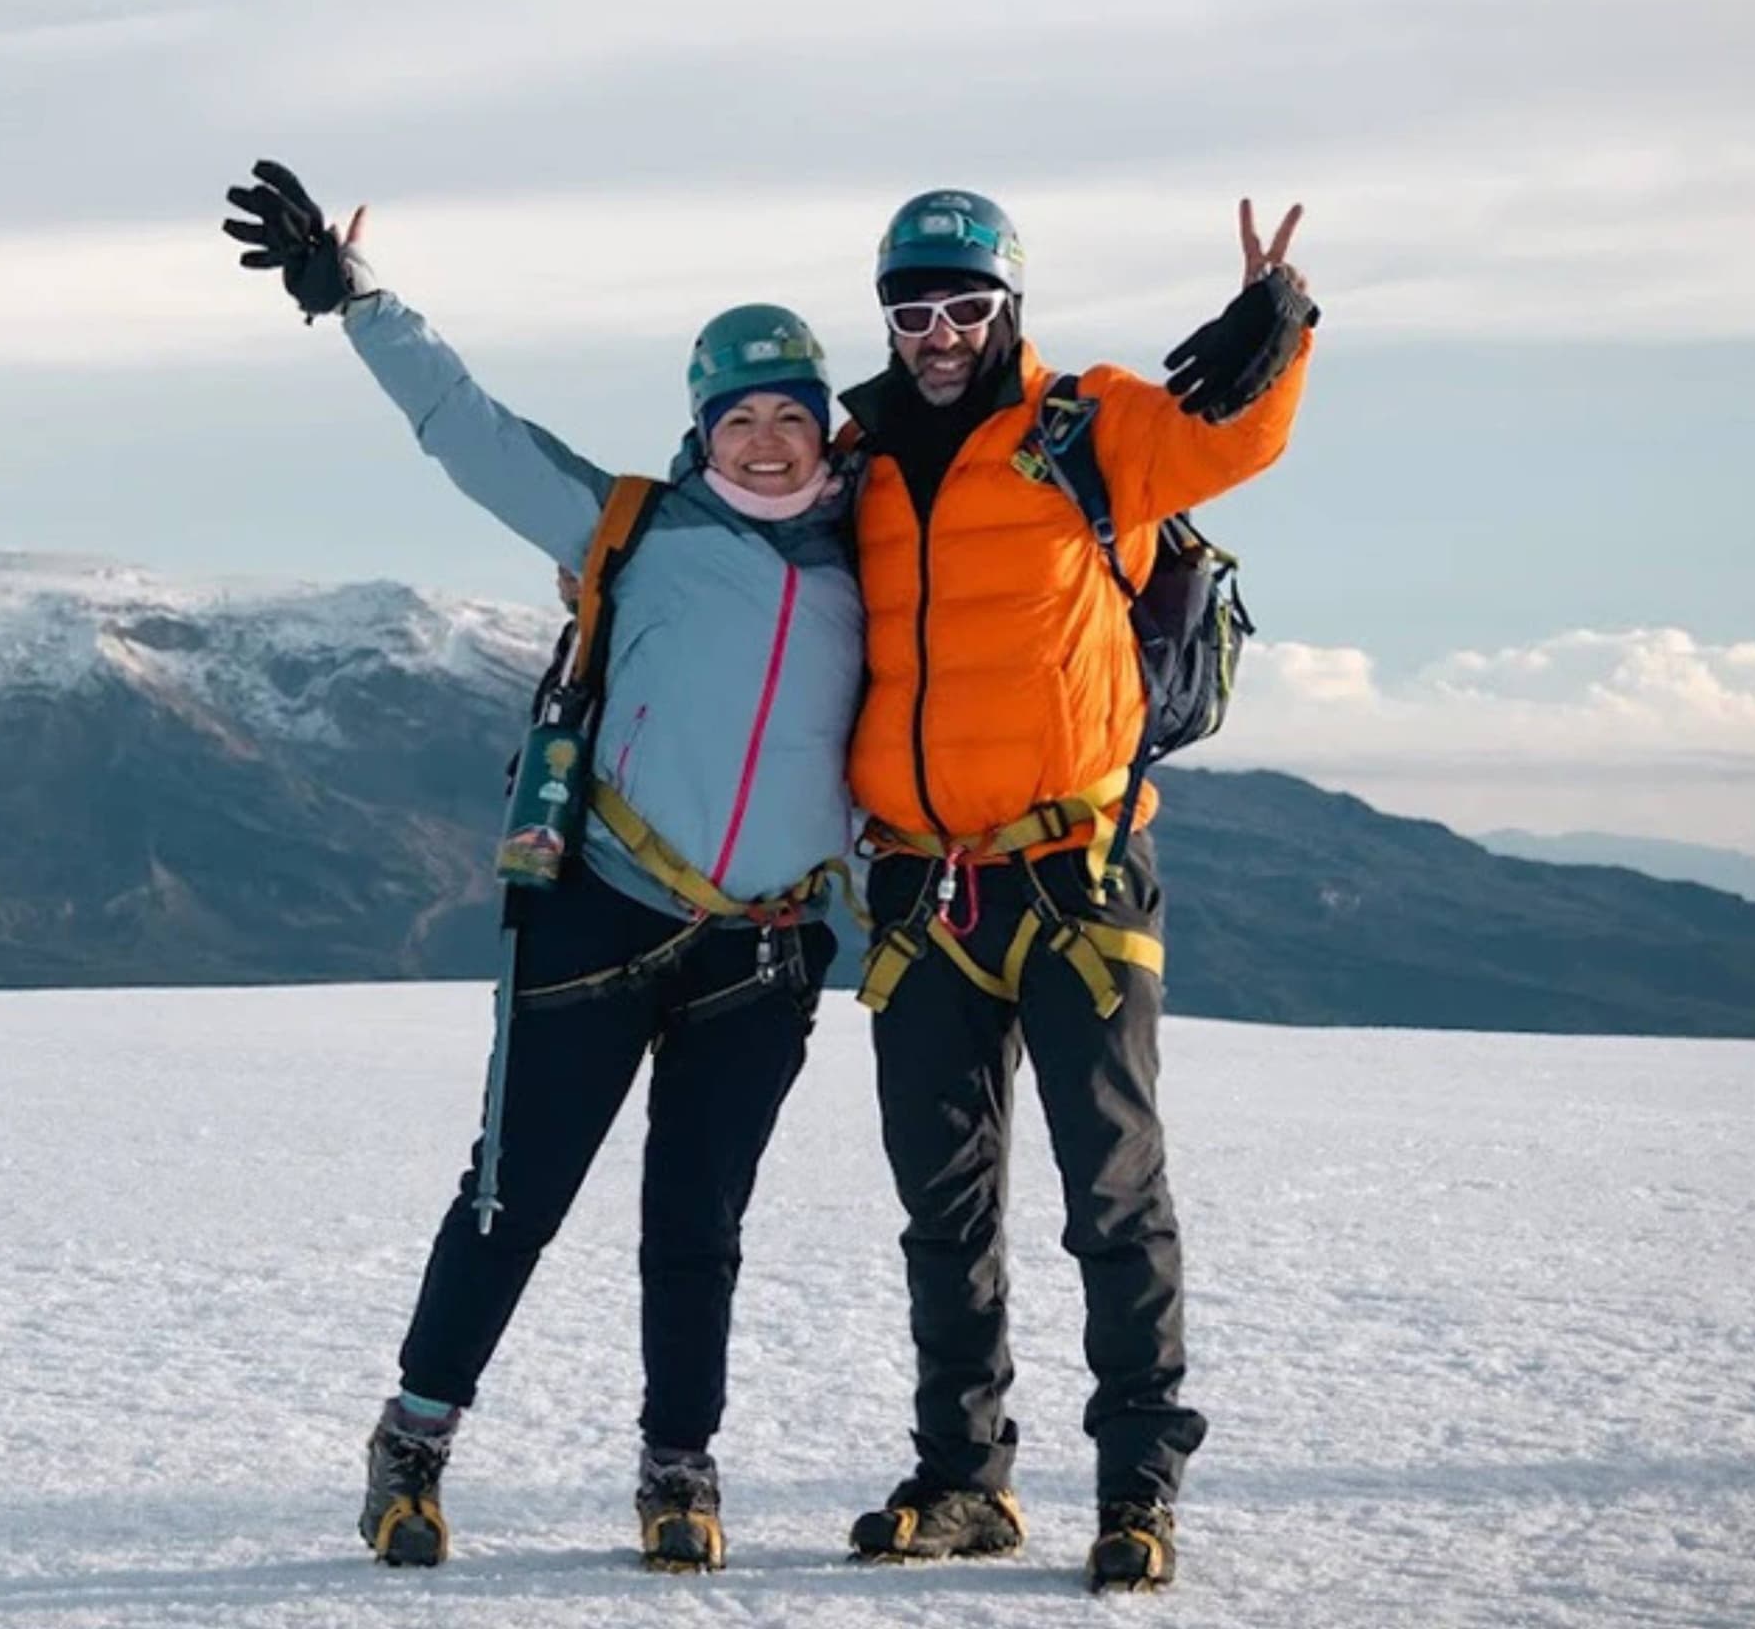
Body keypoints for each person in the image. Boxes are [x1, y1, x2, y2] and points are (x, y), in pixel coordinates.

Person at [220, 160, 866, 1574]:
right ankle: (413, 1444)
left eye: (790, 416)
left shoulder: (881, 561)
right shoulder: (630, 527)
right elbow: (470, 429)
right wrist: (359, 302)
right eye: (739, 417)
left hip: (764, 948)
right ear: (701, 429)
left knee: (698, 1222)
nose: (766, 443)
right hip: (597, 919)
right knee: (514, 1196)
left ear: (826, 426)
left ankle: (679, 1468)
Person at [833, 187, 1315, 1592]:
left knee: (1112, 1193)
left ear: (1009, 308)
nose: (937, 334)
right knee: (944, 1208)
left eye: (964, 307)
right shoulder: (857, 459)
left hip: (1077, 877)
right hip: (922, 891)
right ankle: (962, 1480)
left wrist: (1283, 324)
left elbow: (1236, 439)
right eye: (912, 311)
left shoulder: (1085, 428)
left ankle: (1137, 1489)